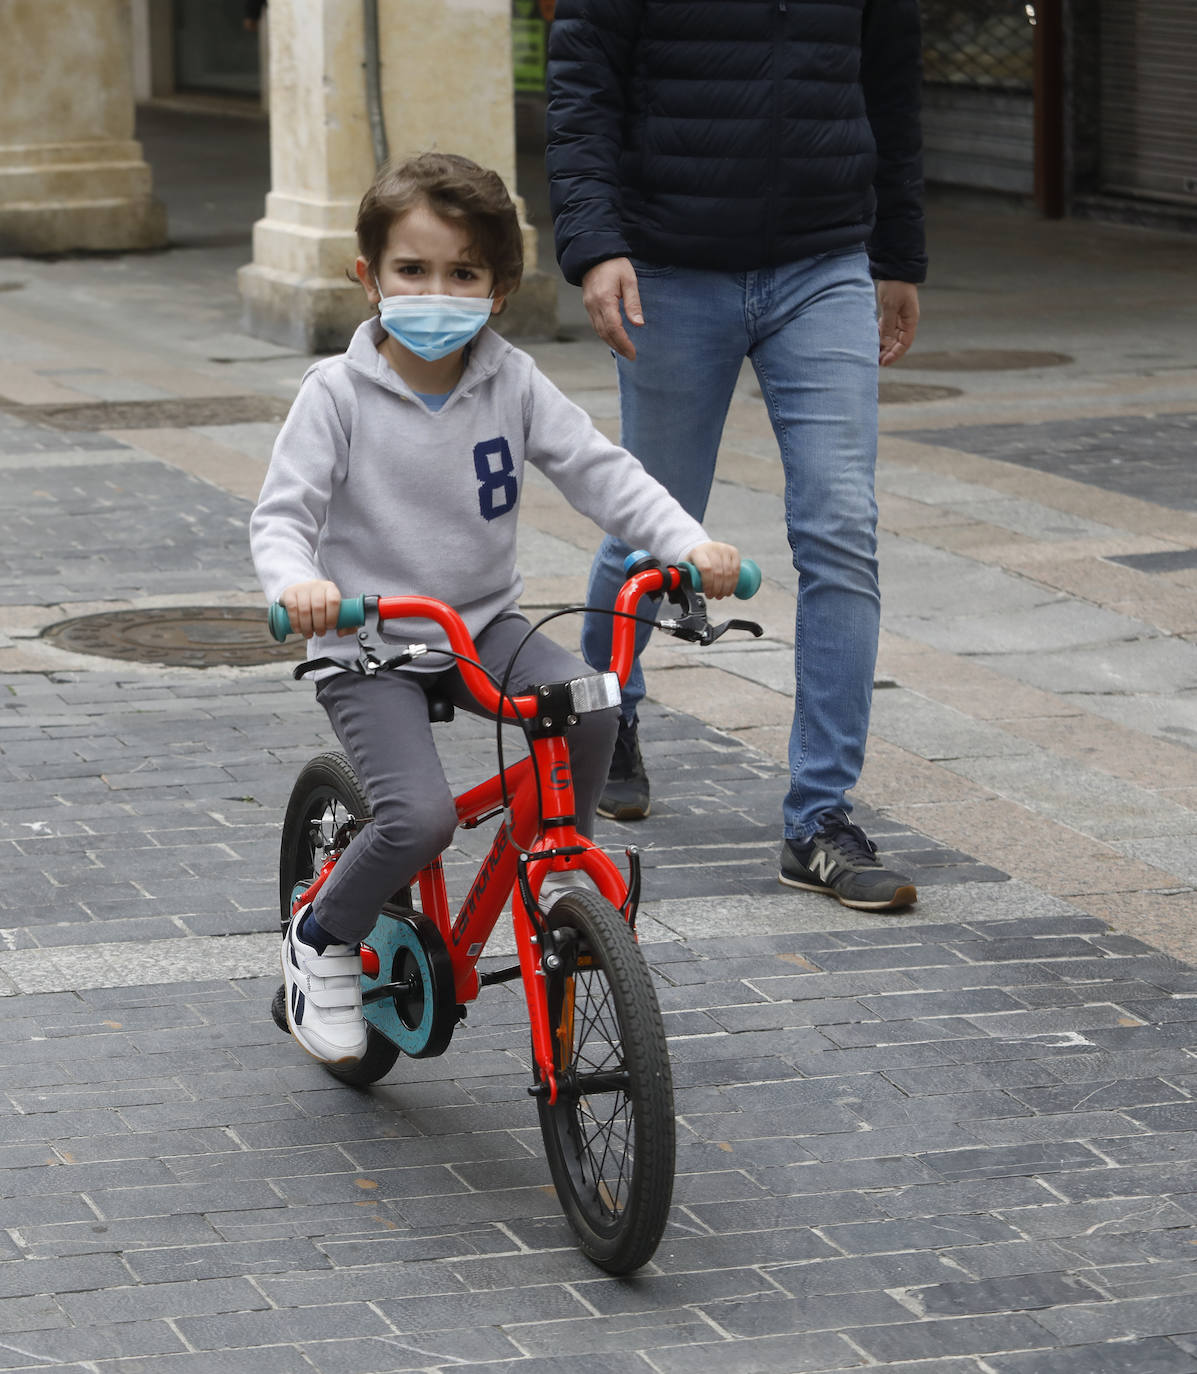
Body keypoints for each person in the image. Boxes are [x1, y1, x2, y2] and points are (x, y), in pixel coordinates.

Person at [250, 152, 740, 1066]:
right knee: (420, 818)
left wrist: (685, 544)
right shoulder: (336, 394)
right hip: (369, 641)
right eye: (413, 270)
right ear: (370, 279)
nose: (437, 290)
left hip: (482, 627)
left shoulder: (509, 380)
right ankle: (320, 937)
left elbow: (600, 471)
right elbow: (283, 519)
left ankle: (560, 872)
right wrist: (296, 588)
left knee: (590, 702)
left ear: (500, 289)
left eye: (463, 273)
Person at [546, 0, 925, 913]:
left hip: (823, 263)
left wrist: (898, 254)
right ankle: (613, 716)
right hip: (671, 263)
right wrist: (596, 244)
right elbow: (580, 91)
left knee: (840, 529)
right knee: (648, 524)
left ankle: (818, 820)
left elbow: (892, 93)